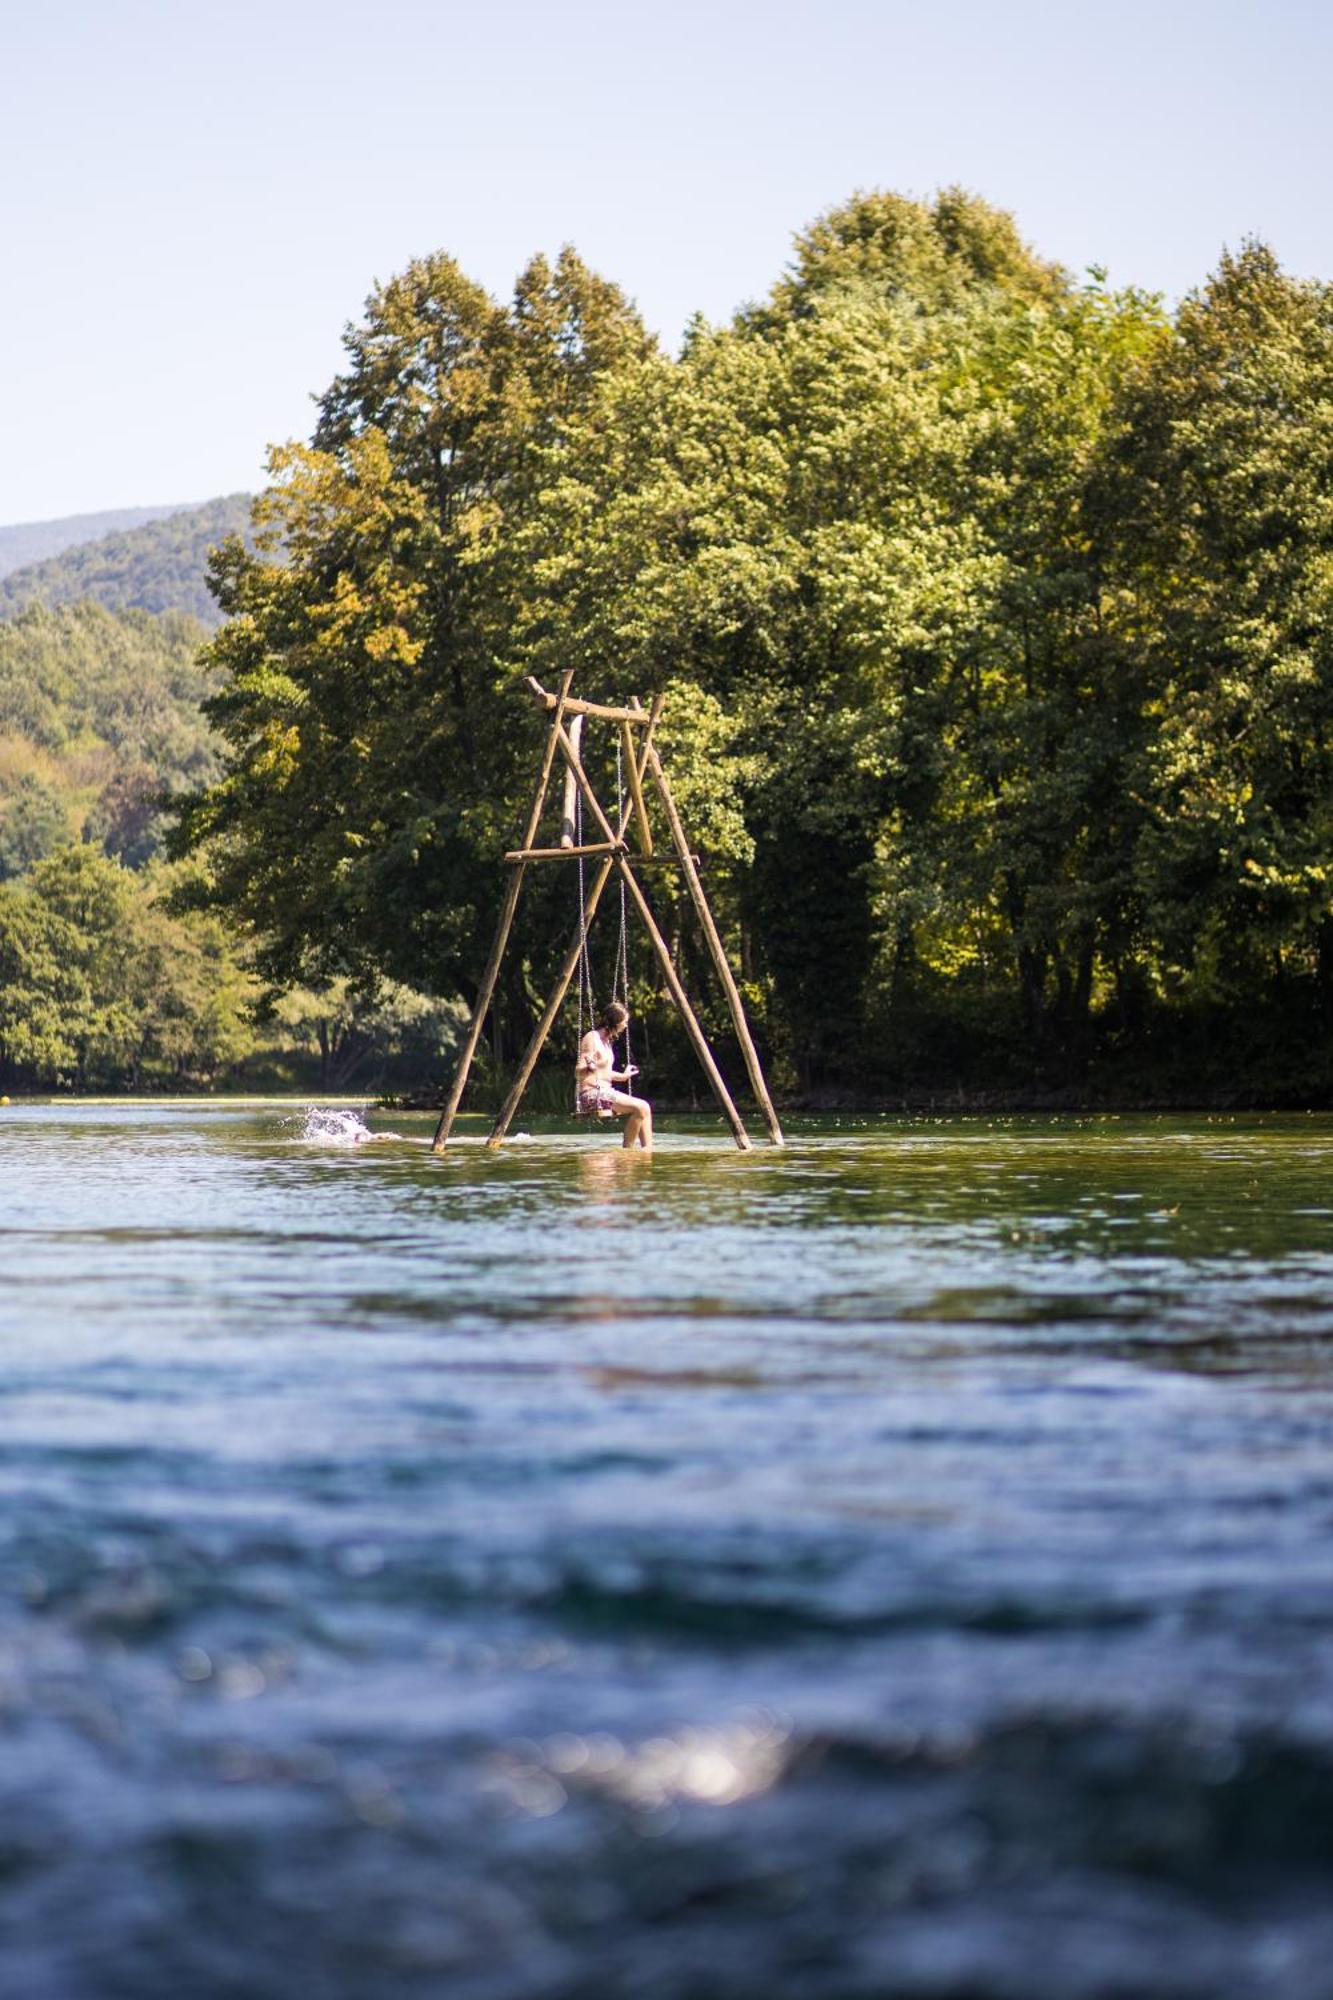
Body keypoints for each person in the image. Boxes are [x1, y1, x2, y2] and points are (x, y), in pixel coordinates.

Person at [576, 1000, 653, 1151]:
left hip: (605, 1091)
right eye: (624, 1022)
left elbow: (605, 1072)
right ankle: (627, 1151)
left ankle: (648, 1151)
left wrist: (623, 1077)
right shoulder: (592, 1038)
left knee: (646, 1109)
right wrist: (589, 1066)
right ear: (615, 1022)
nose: (625, 1025)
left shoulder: (606, 1042)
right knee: (641, 1107)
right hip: (592, 1094)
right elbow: (578, 1070)